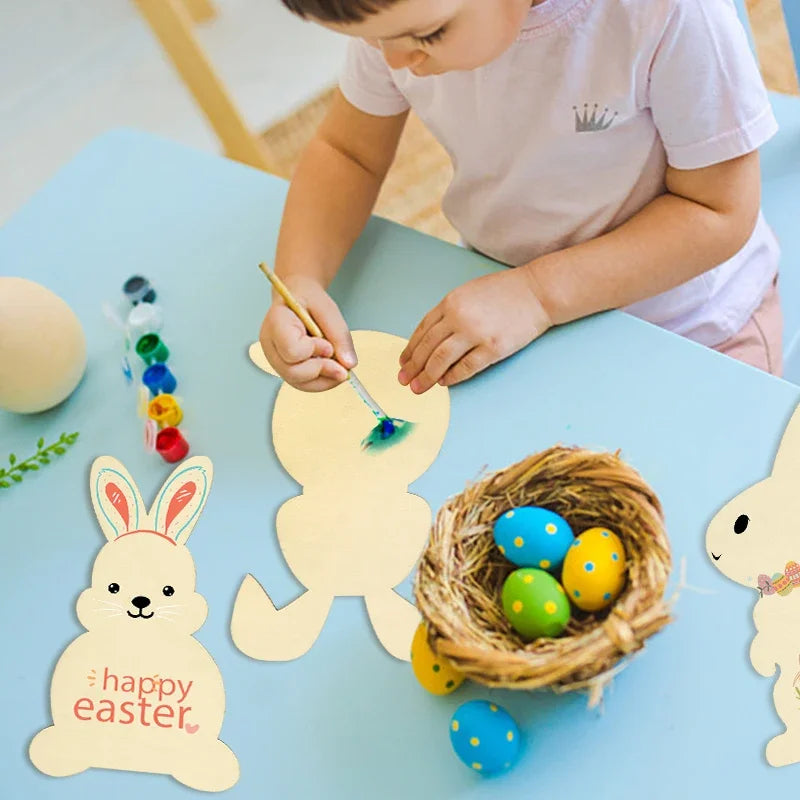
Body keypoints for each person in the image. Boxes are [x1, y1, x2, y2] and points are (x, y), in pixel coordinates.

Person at [259, 0, 783, 392]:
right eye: (374, 41)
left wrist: (537, 295)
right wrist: (300, 278)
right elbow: (348, 153)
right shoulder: (400, 21)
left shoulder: (666, 14)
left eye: (429, 35)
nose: (397, 60)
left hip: (690, 325)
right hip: (508, 310)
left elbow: (717, 213)